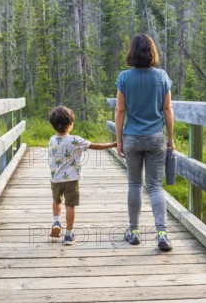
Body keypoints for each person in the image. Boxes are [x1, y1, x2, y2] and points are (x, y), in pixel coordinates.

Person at [114, 34, 175, 252]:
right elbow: (167, 109)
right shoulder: (161, 77)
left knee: (134, 184)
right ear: (152, 52)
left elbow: (120, 110)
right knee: (155, 186)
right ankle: (162, 233)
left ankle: (135, 231)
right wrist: (170, 138)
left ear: (132, 52)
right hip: (156, 138)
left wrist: (119, 140)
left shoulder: (124, 77)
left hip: (131, 137)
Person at [48, 106, 117, 245]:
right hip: (72, 180)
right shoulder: (75, 140)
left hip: (55, 179)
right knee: (70, 205)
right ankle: (68, 235)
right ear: (69, 125)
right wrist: (112, 144)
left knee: (56, 201)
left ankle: (56, 222)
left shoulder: (52, 140)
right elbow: (94, 146)